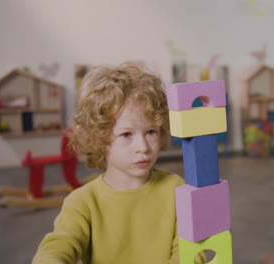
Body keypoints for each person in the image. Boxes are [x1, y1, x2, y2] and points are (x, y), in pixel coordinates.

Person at [33, 65, 189, 264]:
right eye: (126, 135)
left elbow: (188, 250)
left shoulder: (176, 189)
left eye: (151, 132)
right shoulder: (82, 202)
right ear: (96, 139)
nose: (143, 147)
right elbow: (60, 244)